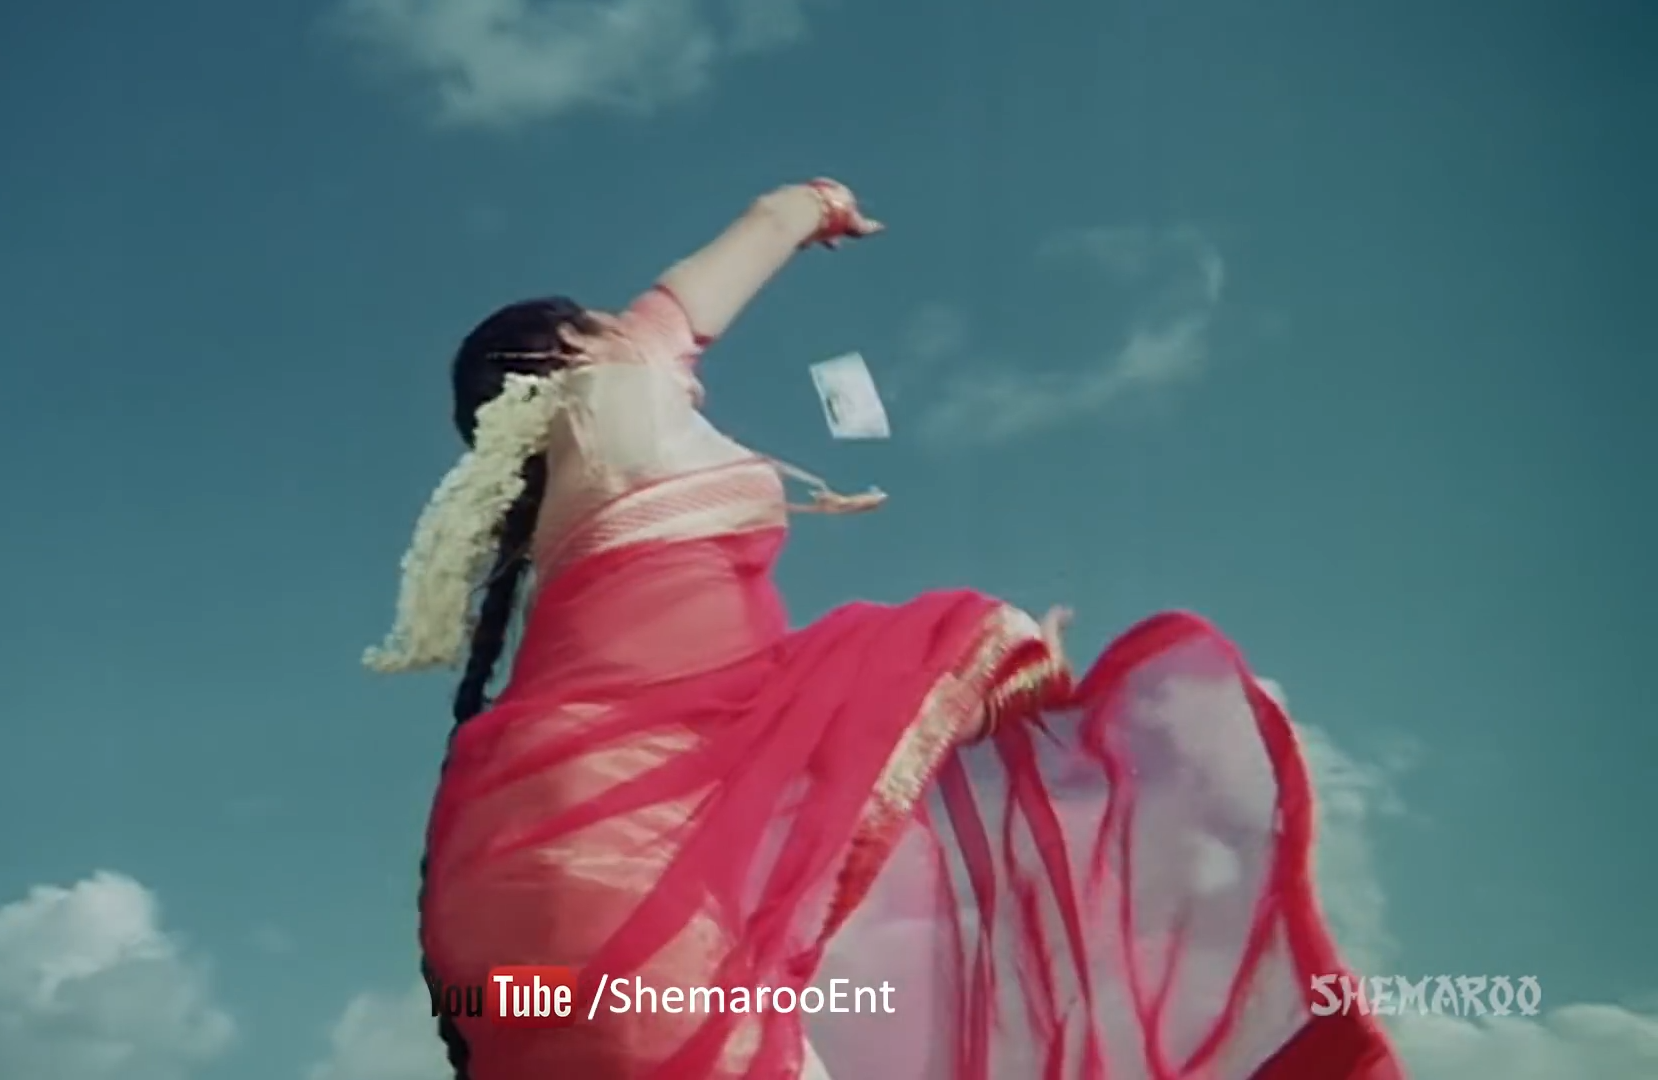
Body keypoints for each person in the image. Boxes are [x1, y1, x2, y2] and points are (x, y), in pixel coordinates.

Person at [366, 180, 1403, 1079]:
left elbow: (758, 743)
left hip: (509, 895)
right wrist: (818, 205)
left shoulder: (554, 548)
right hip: (637, 898)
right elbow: (732, 256)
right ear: (574, 345)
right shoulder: (614, 375)